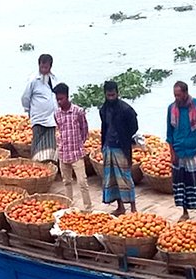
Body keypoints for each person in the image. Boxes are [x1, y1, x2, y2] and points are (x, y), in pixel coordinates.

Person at [166, 81, 196, 221]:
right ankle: (185, 212)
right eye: (175, 95)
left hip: (193, 150)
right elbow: (169, 133)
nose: (177, 98)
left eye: (179, 95)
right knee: (181, 183)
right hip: (178, 149)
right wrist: (172, 153)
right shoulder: (171, 109)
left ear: (186, 93)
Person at [99, 81, 140, 215]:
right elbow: (104, 127)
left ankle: (133, 208)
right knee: (112, 178)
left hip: (121, 147)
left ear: (117, 93)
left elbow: (134, 126)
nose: (111, 97)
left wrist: (125, 137)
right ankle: (120, 206)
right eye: (108, 95)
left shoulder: (126, 109)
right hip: (108, 147)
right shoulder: (103, 110)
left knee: (125, 177)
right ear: (105, 94)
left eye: (113, 94)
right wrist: (103, 145)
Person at [52, 83, 92, 211]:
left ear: (67, 97)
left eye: (61, 99)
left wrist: (79, 143)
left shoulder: (78, 112)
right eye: (57, 99)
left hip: (76, 153)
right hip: (63, 153)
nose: (59, 101)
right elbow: (59, 129)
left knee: (82, 182)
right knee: (66, 182)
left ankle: (87, 208)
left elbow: (84, 130)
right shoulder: (57, 114)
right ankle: (69, 207)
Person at [21, 53, 58, 162]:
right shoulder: (33, 80)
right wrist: (28, 110)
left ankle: (49, 163)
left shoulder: (54, 79)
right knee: (37, 141)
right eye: (42, 66)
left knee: (51, 141)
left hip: (51, 117)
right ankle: (36, 163)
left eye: (46, 67)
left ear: (50, 66)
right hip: (38, 117)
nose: (43, 69)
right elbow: (25, 97)